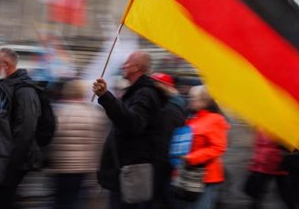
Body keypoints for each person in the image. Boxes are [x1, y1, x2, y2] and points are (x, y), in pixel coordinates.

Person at [92, 51, 164, 209]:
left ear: (136, 67)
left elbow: (133, 123)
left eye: (127, 63)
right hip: (124, 172)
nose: (123, 66)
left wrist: (105, 96)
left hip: (129, 174)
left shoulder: (145, 93)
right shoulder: (136, 92)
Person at [0, 47, 42, 209]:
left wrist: (11, 170)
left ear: (6, 65)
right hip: (1, 162)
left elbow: (25, 131)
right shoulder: (7, 88)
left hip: (9, 165)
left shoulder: (24, 91)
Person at [47, 80, 108, 209]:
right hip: (86, 168)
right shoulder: (95, 113)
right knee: (78, 201)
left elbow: (52, 139)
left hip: (62, 167)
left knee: (62, 202)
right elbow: (100, 142)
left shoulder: (59, 111)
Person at [180, 85, 229, 209]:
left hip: (207, 177)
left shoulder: (215, 119)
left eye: (193, 98)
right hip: (191, 174)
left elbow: (218, 147)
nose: (190, 100)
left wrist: (192, 157)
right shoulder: (193, 118)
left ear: (204, 101)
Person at [150, 72, 186, 209]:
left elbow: (166, 138)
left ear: (165, 86)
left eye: (156, 85)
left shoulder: (171, 108)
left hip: (165, 162)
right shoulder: (176, 103)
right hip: (169, 160)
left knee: (164, 198)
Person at [243, 130, 293, 209]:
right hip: (272, 163)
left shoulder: (264, 127)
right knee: (285, 193)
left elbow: (259, 145)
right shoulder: (267, 128)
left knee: (258, 193)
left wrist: (255, 161)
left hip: (266, 163)